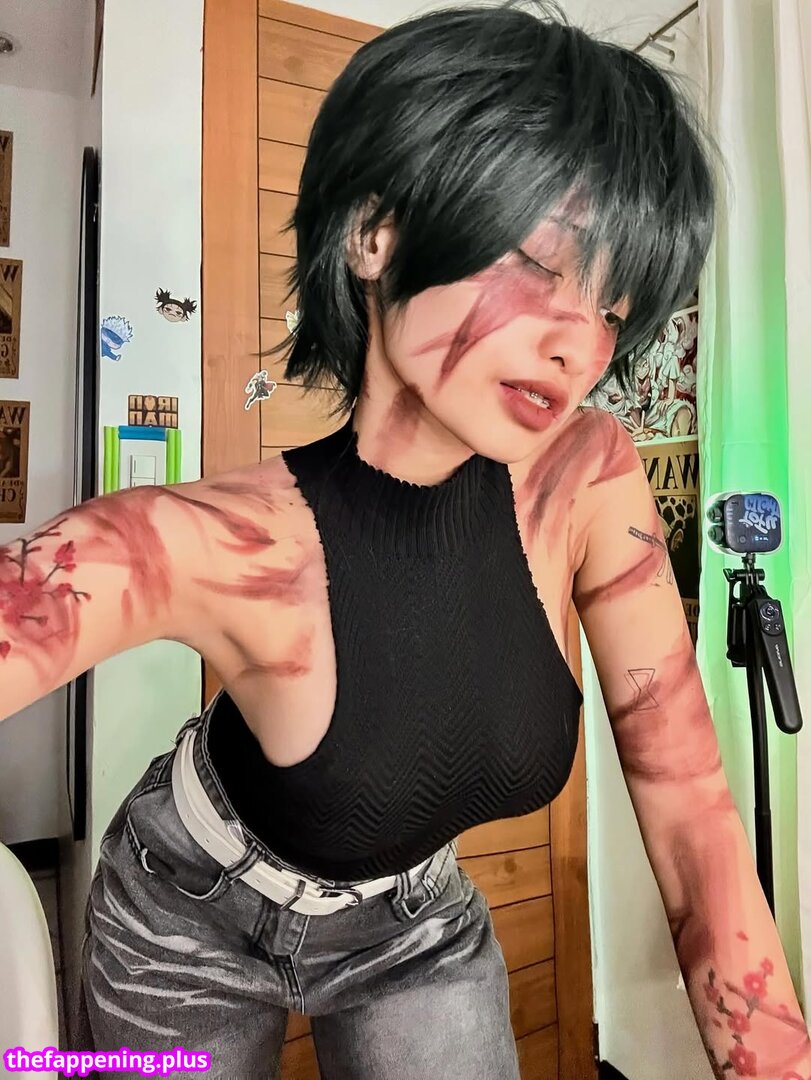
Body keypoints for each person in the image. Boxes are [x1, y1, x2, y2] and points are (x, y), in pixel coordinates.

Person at [1, 4, 809, 1078]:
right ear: (374, 233)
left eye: (613, 310)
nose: (580, 345)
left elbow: (694, 820)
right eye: (541, 262)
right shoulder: (216, 541)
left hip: (416, 922)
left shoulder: (587, 475)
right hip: (182, 916)